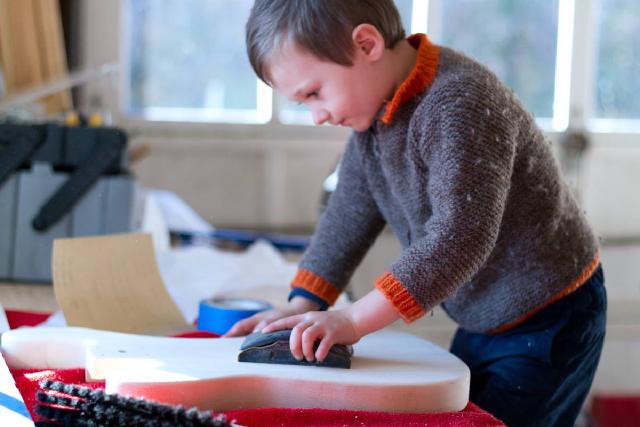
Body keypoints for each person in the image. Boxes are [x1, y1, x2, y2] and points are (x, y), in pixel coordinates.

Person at [226, 1, 607, 425]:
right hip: (485, 316)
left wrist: (353, 319)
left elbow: (461, 237)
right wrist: (302, 304)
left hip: (550, 314)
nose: (317, 116)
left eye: (314, 93)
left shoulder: (459, 102)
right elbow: (348, 214)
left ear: (366, 44)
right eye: (302, 104)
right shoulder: (373, 117)